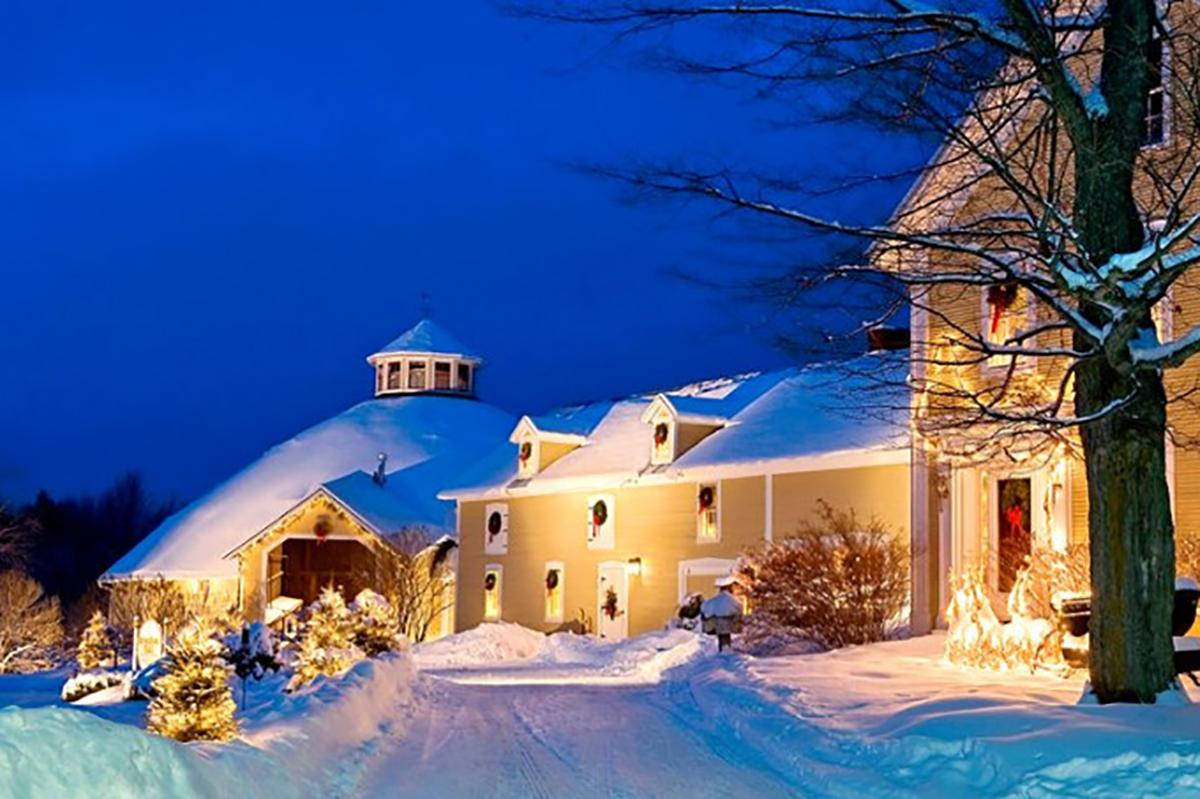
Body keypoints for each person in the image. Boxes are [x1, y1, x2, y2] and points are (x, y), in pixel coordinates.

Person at [701, 576, 744, 652]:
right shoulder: (732, 600)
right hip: (729, 626)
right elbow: (738, 610)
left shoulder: (714, 601)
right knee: (726, 642)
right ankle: (725, 653)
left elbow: (706, 610)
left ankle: (723, 653)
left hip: (719, 626)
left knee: (723, 641)